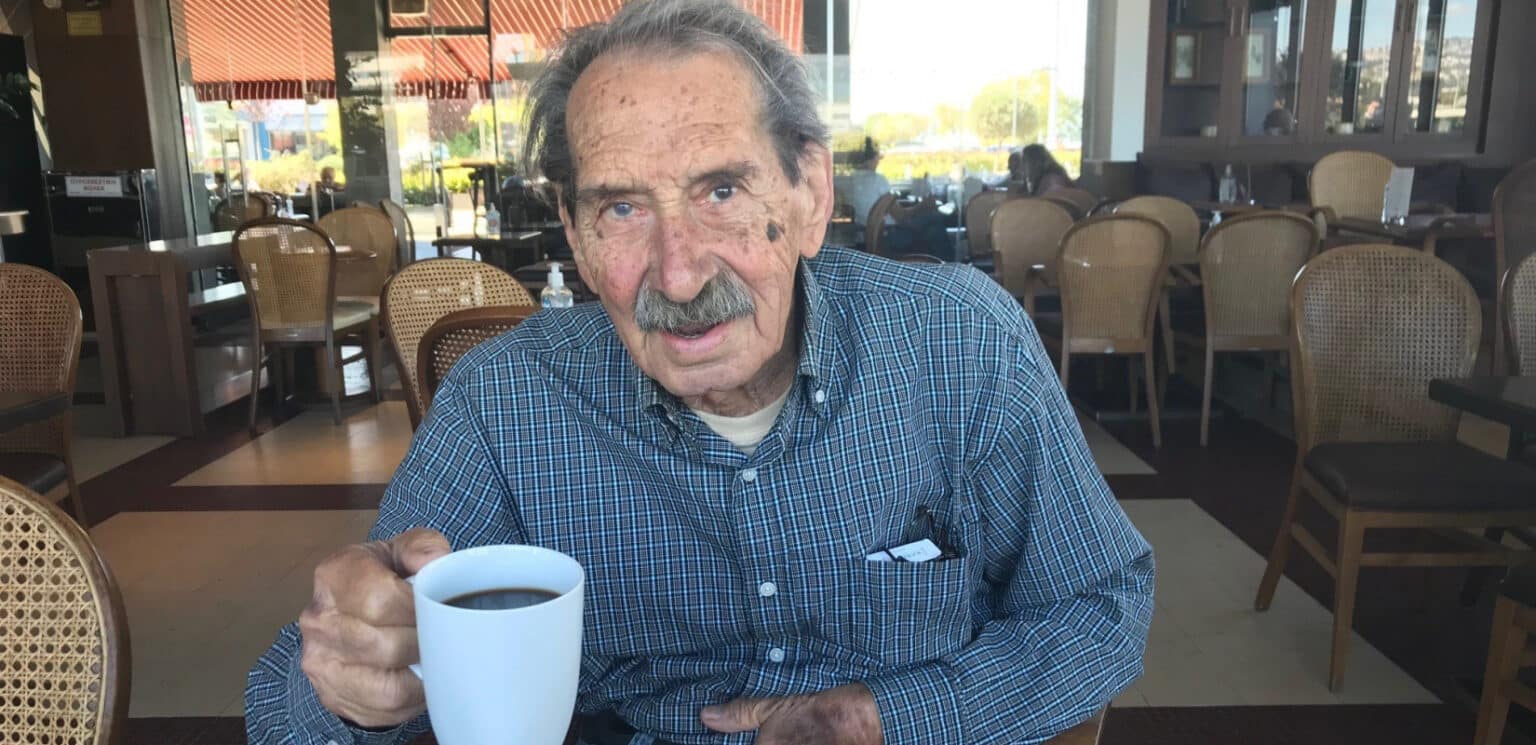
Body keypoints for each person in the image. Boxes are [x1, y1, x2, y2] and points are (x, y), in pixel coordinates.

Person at [245, 2, 1153, 744]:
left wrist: (878, 718)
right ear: (574, 234)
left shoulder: (958, 342)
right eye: (622, 208)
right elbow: (293, 704)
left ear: (809, 194)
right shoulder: (505, 403)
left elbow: (1101, 603)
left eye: (721, 191)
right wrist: (352, 682)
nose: (677, 275)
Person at [840, 136, 891, 229]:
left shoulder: (848, 181)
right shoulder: (878, 180)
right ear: (871, 159)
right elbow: (899, 214)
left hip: (860, 230)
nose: (878, 162)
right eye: (877, 158)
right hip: (886, 230)